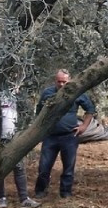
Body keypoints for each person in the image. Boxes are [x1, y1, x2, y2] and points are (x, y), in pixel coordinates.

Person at [34, 69, 96, 199]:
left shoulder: (77, 93)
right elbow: (39, 112)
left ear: (70, 80)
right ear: (55, 81)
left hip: (69, 136)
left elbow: (90, 110)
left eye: (64, 82)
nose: (61, 85)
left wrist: (84, 126)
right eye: (59, 81)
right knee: (44, 167)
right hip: (50, 136)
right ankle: (40, 191)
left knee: (68, 168)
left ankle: (65, 193)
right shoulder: (48, 93)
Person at [0, 91, 40, 208]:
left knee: (19, 168)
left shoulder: (19, 97)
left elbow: (27, 113)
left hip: (16, 138)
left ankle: (24, 199)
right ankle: (1, 198)